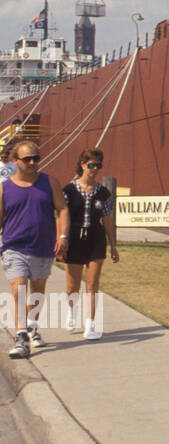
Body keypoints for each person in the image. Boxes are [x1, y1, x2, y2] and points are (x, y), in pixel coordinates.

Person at [1, 140, 69, 358]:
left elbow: (63, 209)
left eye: (36, 158)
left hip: (43, 246)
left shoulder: (49, 182)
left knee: (37, 291)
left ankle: (32, 326)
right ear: (15, 161)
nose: (32, 162)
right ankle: (21, 336)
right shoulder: (4, 188)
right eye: (27, 159)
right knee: (18, 288)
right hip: (14, 247)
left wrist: (63, 236)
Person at [62, 147, 120, 339]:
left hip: (95, 239)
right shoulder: (68, 191)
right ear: (82, 165)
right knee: (73, 286)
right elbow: (61, 216)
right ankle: (72, 310)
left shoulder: (103, 193)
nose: (94, 169)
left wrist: (113, 246)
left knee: (92, 284)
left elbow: (108, 220)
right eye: (91, 165)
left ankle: (90, 325)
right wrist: (61, 240)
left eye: (98, 165)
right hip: (75, 239)